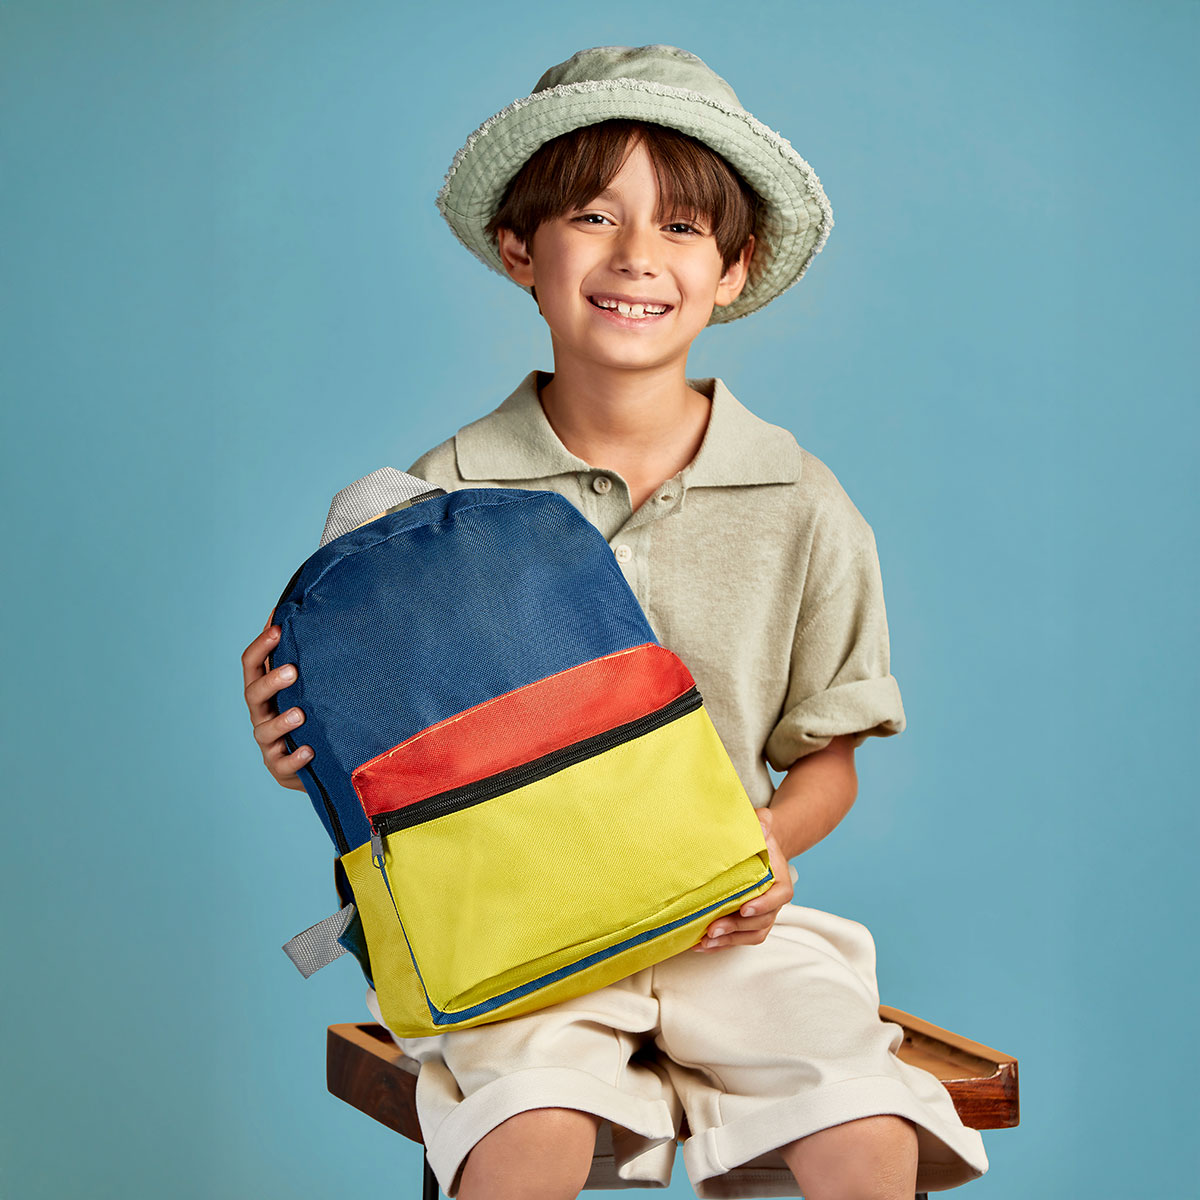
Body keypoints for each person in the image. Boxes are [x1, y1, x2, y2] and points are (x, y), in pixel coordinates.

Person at [241, 44, 989, 1200]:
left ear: (733, 268)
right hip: (520, 936)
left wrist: (768, 846)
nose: (637, 254)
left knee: (864, 1124)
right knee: (527, 1127)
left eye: (682, 227)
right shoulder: (437, 502)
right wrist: (291, 738)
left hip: (729, 922)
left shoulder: (803, 502)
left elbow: (827, 760)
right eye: (593, 215)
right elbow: (384, 750)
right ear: (519, 250)